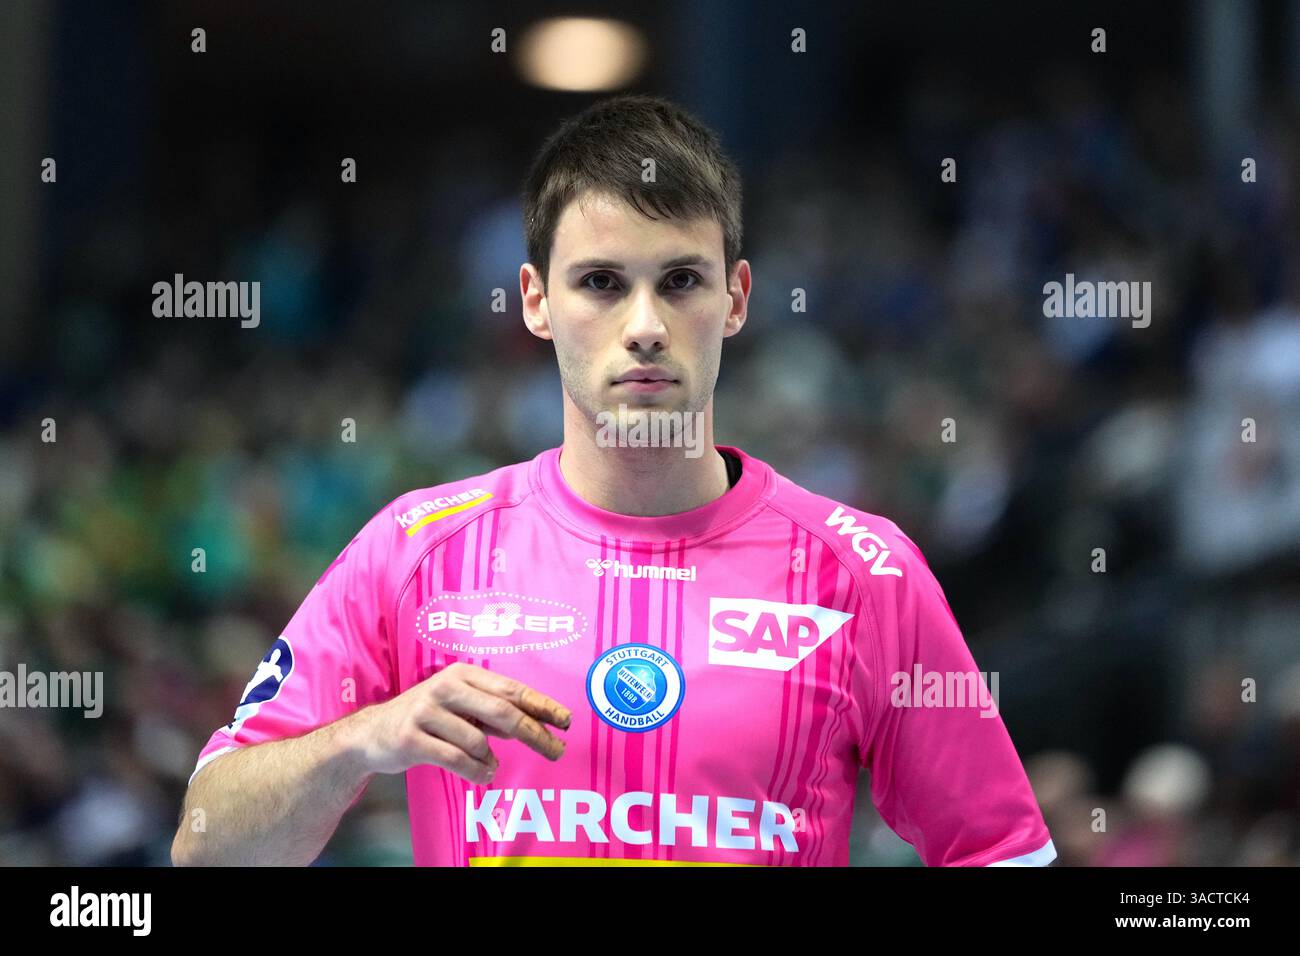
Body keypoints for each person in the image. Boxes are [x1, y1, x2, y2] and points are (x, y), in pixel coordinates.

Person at [172, 93, 1055, 867]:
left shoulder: (866, 573)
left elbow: (1002, 853)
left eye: (681, 282)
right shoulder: (414, 551)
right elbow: (209, 844)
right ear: (535, 301)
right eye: (600, 282)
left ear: (738, 298)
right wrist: (360, 740)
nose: (644, 326)